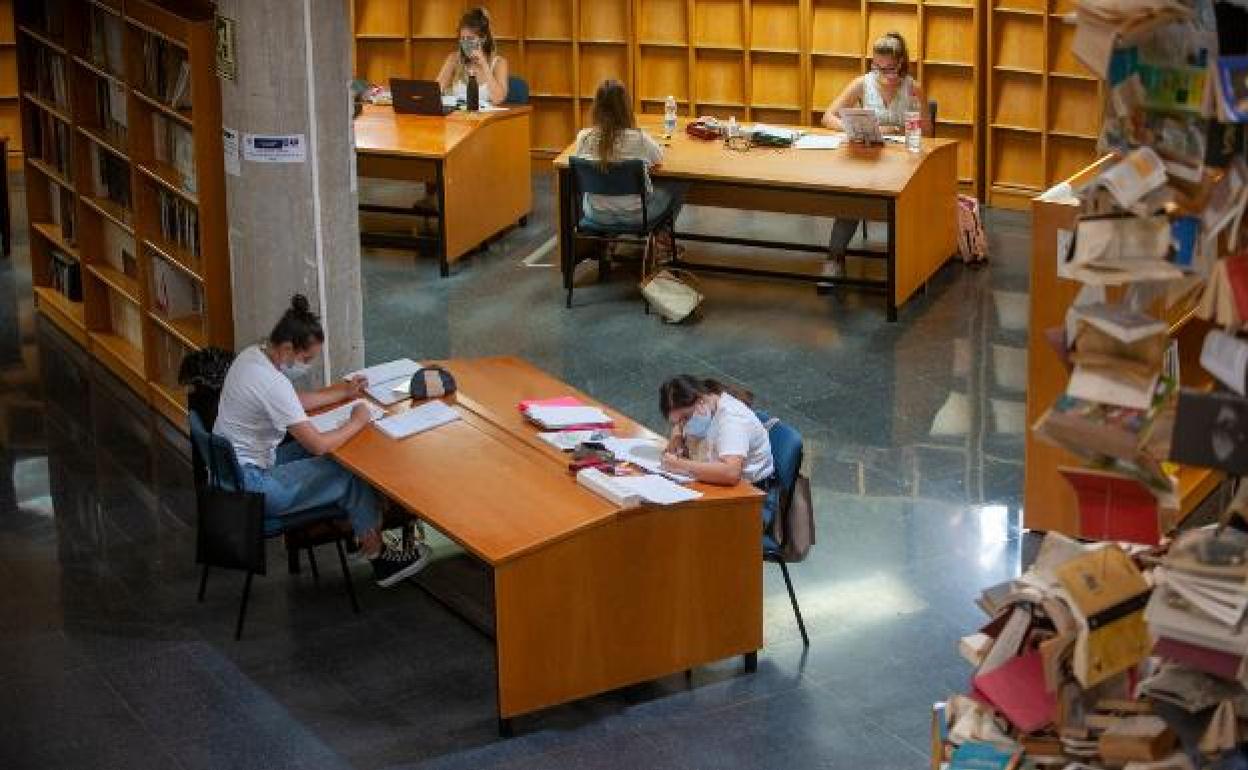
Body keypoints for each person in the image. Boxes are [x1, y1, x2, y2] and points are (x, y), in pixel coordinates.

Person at [213, 295, 431, 588]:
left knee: (333, 458)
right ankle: (379, 557)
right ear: (288, 348)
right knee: (347, 473)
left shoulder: (253, 356)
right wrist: (357, 421)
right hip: (253, 488)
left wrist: (343, 393)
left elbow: (292, 401)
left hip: (235, 475)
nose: (308, 365)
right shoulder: (271, 382)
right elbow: (317, 444)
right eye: (307, 359)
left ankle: (363, 528)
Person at [819, 31, 928, 278]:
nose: (882, 74)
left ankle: (910, 265)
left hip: (903, 165)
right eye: (876, 67)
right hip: (869, 162)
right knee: (853, 198)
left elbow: (929, 133)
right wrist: (855, 127)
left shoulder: (914, 89)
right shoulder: (862, 83)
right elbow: (827, 117)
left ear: (901, 64)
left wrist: (900, 129)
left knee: (909, 204)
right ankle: (834, 259)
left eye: (888, 68)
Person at [659, 376, 777, 540]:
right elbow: (679, 422)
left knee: (678, 531)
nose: (683, 424)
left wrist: (679, 464)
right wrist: (677, 436)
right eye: (678, 421)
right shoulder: (706, 401)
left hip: (751, 501)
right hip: (719, 490)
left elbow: (730, 472)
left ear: (700, 402)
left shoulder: (732, 420)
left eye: (685, 419)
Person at [572, 78, 681, 242]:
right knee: (677, 185)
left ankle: (606, 244)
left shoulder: (584, 138)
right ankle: (661, 242)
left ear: (596, 108)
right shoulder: (639, 139)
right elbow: (658, 159)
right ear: (626, 108)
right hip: (636, 215)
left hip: (596, 213)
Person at [436, 7, 509, 105]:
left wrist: (484, 65)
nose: (466, 43)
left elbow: (498, 99)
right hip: (458, 117)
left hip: (486, 118)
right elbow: (436, 91)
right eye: (463, 38)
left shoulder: (499, 63)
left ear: (483, 39)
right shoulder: (454, 59)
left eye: (471, 38)